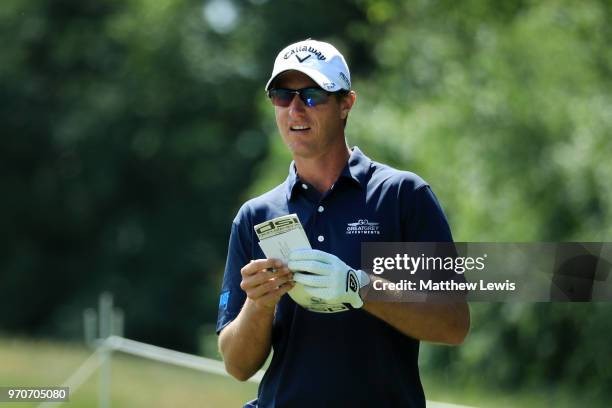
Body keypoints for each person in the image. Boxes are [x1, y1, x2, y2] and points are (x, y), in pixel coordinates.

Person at [216, 38, 470, 408]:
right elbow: (237, 365)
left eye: (313, 95)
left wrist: (359, 286)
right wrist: (259, 304)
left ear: (346, 104)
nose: (295, 110)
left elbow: (453, 323)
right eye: (283, 96)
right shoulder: (256, 215)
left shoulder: (402, 196)